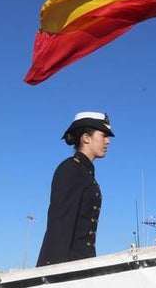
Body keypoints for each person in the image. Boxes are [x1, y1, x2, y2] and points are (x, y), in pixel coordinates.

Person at [37, 112, 113, 266]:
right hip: (66, 266)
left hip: (81, 265)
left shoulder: (85, 172)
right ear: (86, 138)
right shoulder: (71, 169)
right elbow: (60, 224)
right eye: (103, 135)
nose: (107, 141)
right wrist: (54, 272)